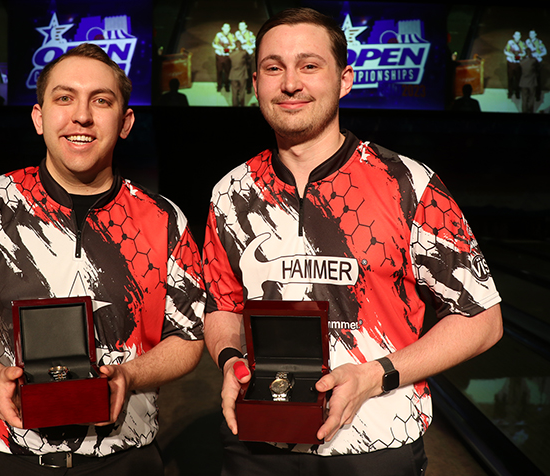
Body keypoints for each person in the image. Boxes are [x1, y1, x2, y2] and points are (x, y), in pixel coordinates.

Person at [202, 7, 503, 475]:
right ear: (255, 81)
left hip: (377, 445)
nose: (290, 83)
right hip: (258, 441)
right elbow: (222, 304)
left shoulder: (409, 184)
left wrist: (373, 375)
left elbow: (483, 319)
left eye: (309, 65)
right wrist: (229, 359)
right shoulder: (230, 193)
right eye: (273, 67)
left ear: (344, 80)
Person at [0, 43, 205, 475]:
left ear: (125, 123)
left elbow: (188, 337)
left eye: (101, 101)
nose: (81, 116)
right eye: (64, 98)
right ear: (39, 117)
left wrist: (131, 376)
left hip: (124, 460)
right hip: (1, 459)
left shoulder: (165, 221)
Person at [213, 23, 236, 92]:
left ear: (229, 29)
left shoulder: (231, 36)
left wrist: (228, 48)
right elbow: (214, 44)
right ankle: (219, 85)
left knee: (227, 72)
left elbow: (234, 45)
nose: (226, 30)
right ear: (222, 29)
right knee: (219, 71)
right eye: (225, 28)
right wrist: (221, 48)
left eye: (227, 28)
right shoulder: (218, 35)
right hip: (219, 56)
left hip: (227, 56)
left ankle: (227, 85)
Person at [235, 21, 256, 93]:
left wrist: (249, 47)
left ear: (246, 26)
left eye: (243, 26)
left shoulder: (250, 34)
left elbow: (255, 43)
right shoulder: (237, 34)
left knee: (249, 72)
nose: (241, 27)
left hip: (248, 55)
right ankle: (239, 87)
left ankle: (249, 87)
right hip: (240, 55)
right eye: (240, 26)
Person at [526, 30, 547, 101]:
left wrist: (538, 55)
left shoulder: (539, 42)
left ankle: (537, 95)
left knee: (537, 79)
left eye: (532, 34)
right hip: (529, 62)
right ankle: (529, 95)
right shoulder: (527, 41)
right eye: (530, 34)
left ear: (535, 34)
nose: (531, 35)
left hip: (537, 62)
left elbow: (544, 51)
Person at [504, 31, 526, 99]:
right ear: (514, 36)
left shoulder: (522, 43)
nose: (517, 37)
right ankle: (510, 92)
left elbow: (524, 53)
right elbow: (505, 51)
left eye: (518, 36)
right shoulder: (510, 42)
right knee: (510, 78)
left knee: (518, 79)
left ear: (520, 37)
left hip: (518, 64)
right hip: (511, 62)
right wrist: (511, 55)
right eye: (516, 36)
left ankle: (517, 93)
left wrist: (519, 56)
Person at [229, 40, 248, 107]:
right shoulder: (243, 53)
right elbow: (248, 58)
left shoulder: (231, 54)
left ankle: (235, 105)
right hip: (242, 75)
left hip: (233, 75)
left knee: (234, 92)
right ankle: (242, 105)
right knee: (242, 92)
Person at [519, 49, 538, 114]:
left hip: (523, 82)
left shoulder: (521, 62)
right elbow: (537, 65)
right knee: (531, 98)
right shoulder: (533, 60)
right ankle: (530, 112)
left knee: (524, 99)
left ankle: (524, 112)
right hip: (531, 83)